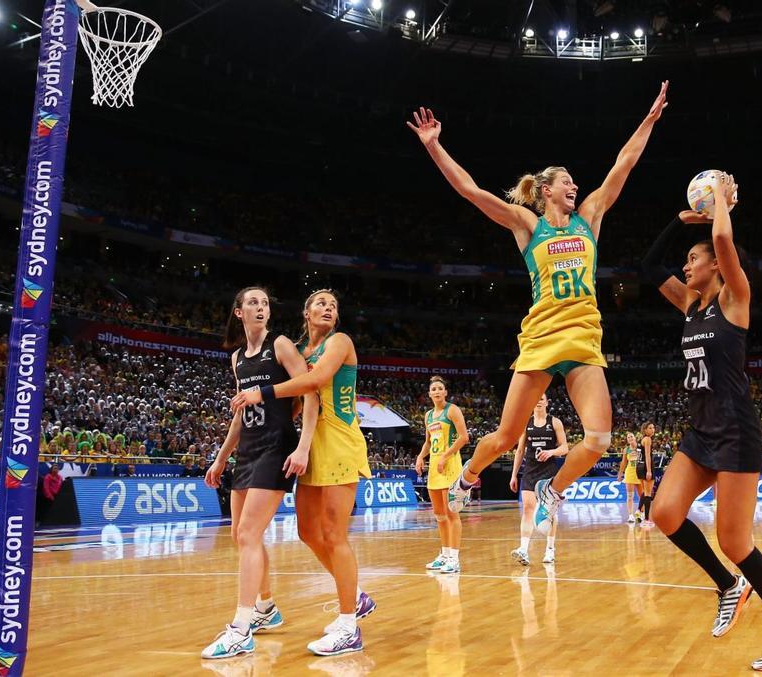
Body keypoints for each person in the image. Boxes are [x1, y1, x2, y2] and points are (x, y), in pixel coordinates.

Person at [406, 83, 669, 529]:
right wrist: (434, 146)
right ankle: (467, 477)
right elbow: (471, 191)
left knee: (599, 438)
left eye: (574, 182)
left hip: (583, 335)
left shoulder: (589, 217)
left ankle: (553, 488)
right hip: (542, 336)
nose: (575, 186)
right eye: (567, 182)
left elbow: (623, 163)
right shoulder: (528, 225)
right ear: (546, 190)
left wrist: (648, 121)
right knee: (506, 436)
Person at [643, 174, 762, 671]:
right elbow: (648, 267)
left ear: (717, 266)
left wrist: (719, 199)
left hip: (736, 430)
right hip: (700, 430)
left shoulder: (733, 298)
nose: (686, 266)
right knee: (664, 513)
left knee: (734, 542)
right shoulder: (689, 303)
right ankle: (727, 585)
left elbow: (722, 237)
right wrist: (680, 222)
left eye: (693, 259)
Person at [230, 289, 376, 657]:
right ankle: (356, 595)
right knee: (308, 532)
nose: (328, 308)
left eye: (333, 306)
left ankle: (349, 626)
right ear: (306, 313)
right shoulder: (298, 350)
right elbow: (297, 403)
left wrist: (261, 393)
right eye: (321, 303)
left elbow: (315, 381)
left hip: (339, 441)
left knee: (334, 532)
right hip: (309, 445)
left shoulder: (339, 342)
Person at [202, 287, 318, 660]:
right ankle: (265, 607)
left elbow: (311, 391)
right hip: (248, 451)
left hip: (277, 447)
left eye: (265, 302)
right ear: (239, 312)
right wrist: (221, 458)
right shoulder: (237, 358)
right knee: (240, 535)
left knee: (249, 533)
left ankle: (241, 628)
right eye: (253, 302)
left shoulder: (280, 345)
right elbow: (240, 415)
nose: (261, 307)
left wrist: (303, 446)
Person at [416, 376, 470, 574]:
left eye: (440, 388)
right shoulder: (428, 415)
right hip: (434, 467)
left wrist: (445, 457)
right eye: (434, 389)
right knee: (439, 514)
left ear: (445, 392)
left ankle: (454, 559)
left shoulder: (452, 410)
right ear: (429, 394)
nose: (437, 391)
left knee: (451, 513)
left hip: (450, 465)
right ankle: (445, 555)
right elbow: (428, 442)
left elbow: (464, 437)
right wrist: (420, 457)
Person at [509, 394, 568, 565]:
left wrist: (551, 452)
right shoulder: (526, 423)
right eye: (535, 398)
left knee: (550, 512)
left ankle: (550, 549)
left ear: (547, 402)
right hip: (530, 470)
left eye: (541, 398)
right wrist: (514, 474)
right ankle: (523, 549)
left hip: (549, 471)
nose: (538, 401)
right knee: (528, 508)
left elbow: (565, 447)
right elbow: (520, 451)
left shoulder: (555, 422)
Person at [617, 432, 648, 523]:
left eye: (631, 436)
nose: (630, 438)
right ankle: (630, 516)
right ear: (627, 440)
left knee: (641, 496)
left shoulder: (640, 447)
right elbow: (623, 462)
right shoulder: (626, 450)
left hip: (640, 473)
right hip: (629, 473)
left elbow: (646, 459)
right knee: (630, 496)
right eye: (628, 437)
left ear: (635, 438)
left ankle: (641, 513)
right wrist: (620, 474)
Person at [640, 422, 658, 525]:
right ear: (645, 430)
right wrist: (649, 470)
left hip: (641, 466)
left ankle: (639, 511)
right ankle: (646, 520)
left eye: (653, 427)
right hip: (647, 467)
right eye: (650, 428)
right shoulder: (647, 439)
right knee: (647, 493)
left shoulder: (643, 439)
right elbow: (647, 456)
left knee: (645, 492)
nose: (653, 429)